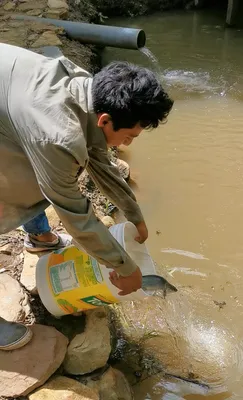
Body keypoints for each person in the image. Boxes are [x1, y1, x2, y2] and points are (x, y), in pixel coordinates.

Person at [0, 43, 173, 350]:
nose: (129, 141)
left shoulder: (87, 89)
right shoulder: (58, 134)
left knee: (34, 166)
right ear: (106, 120)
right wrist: (125, 268)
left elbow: (97, 156)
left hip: (12, 100)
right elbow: (73, 211)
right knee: (36, 177)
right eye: (130, 136)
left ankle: (39, 236)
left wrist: (133, 214)